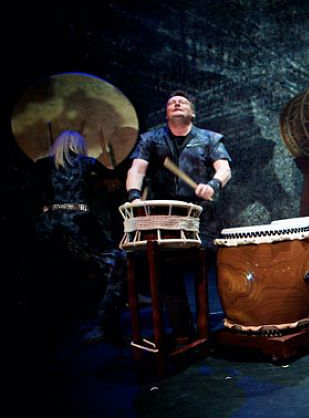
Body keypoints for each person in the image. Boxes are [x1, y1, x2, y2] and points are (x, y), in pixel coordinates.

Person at [125, 90, 232, 339]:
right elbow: (137, 169)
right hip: (166, 219)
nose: (176, 103)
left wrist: (213, 185)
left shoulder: (209, 138)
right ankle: (185, 332)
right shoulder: (151, 140)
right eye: (171, 102)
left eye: (182, 102)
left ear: (192, 112)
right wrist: (134, 196)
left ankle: (232, 321)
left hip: (202, 216)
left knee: (222, 263)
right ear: (166, 113)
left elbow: (224, 168)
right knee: (167, 271)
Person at [33, 130, 126, 343]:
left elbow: (38, 191)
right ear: (78, 145)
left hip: (51, 221)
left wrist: (46, 206)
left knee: (42, 267)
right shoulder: (86, 162)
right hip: (79, 219)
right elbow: (112, 181)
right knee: (116, 262)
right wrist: (110, 170)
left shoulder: (43, 165)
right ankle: (105, 325)